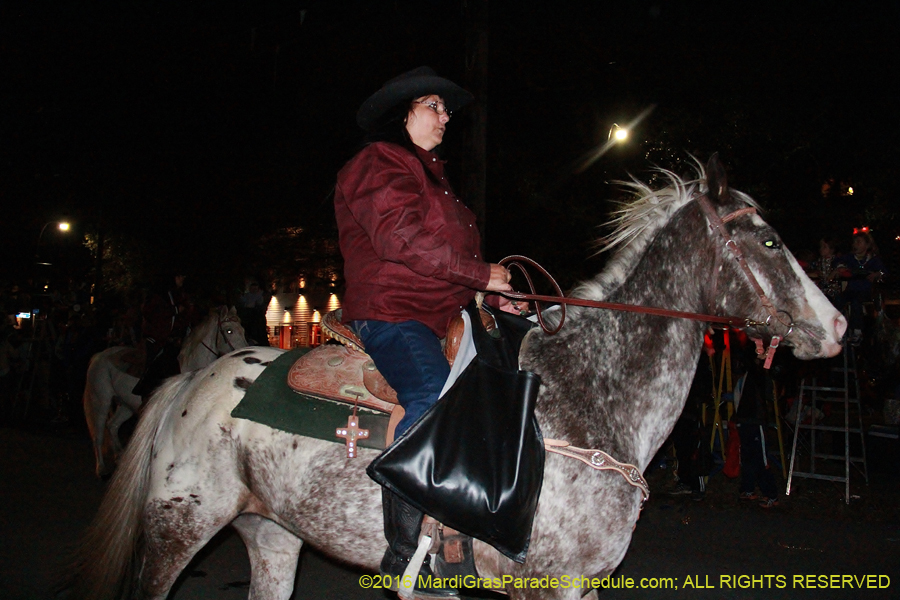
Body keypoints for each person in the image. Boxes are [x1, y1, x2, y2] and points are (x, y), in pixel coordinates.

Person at [334, 66, 512, 598]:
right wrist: (479, 274)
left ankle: (461, 536)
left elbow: (453, 259)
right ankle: (403, 555)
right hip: (392, 312)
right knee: (434, 400)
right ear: (401, 113)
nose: (445, 116)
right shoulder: (376, 163)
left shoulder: (437, 179)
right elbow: (398, 238)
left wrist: (492, 291)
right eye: (433, 105)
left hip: (443, 316)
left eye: (446, 108)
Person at [132, 274, 194, 399]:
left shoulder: (178, 295)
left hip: (171, 340)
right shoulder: (158, 295)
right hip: (156, 339)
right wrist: (175, 310)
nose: (182, 279)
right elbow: (152, 312)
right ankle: (146, 392)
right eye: (179, 276)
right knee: (152, 364)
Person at [733, 347, 780, 508]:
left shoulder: (761, 374)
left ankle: (771, 494)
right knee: (747, 458)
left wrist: (760, 360)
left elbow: (767, 392)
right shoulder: (747, 375)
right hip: (745, 420)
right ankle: (748, 489)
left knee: (761, 459)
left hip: (755, 420)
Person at [838, 232, 886, 344]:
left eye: (859, 242)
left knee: (856, 302)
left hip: (865, 291)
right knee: (838, 300)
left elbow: (884, 272)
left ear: (867, 245)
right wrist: (840, 267)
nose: (855, 244)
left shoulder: (872, 260)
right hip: (850, 290)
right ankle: (836, 328)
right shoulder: (850, 258)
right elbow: (838, 261)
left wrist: (876, 274)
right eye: (854, 242)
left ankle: (857, 332)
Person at [806, 236, 843, 307]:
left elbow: (841, 269)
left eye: (824, 247)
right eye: (821, 247)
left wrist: (835, 272)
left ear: (832, 249)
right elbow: (812, 270)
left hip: (833, 291)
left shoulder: (836, 261)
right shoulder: (818, 262)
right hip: (821, 289)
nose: (821, 249)